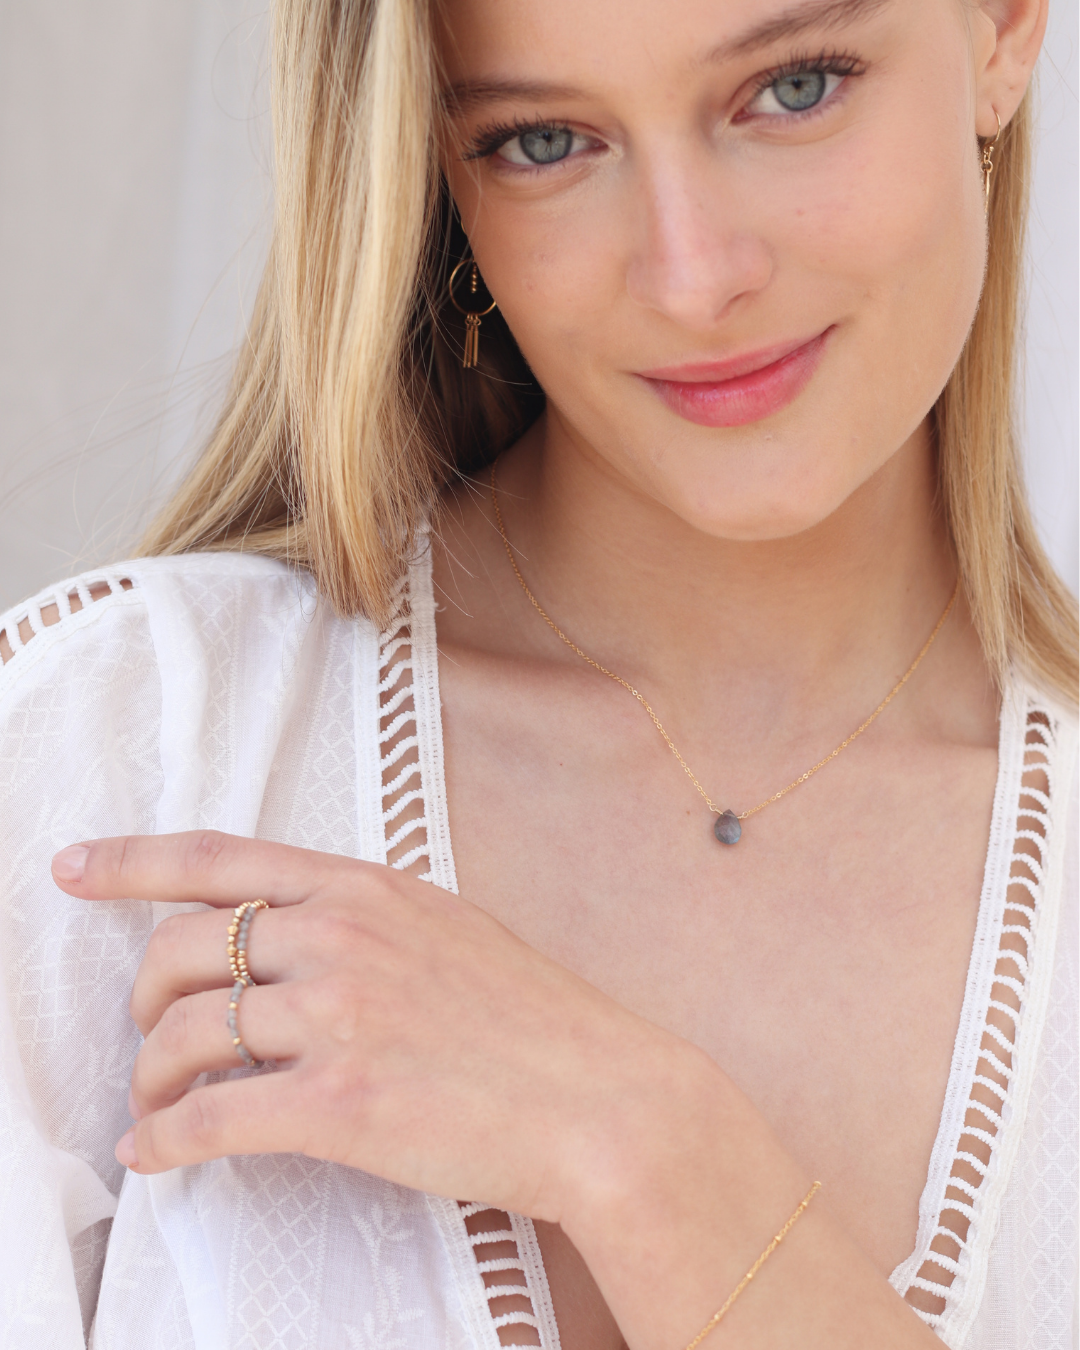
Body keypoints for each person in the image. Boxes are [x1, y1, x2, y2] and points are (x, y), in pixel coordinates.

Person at [1, 0, 1075, 1345]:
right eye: (542, 140)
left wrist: (644, 1152)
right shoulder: (114, 755)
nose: (693, 277)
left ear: (1002, 30)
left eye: (797, 86)